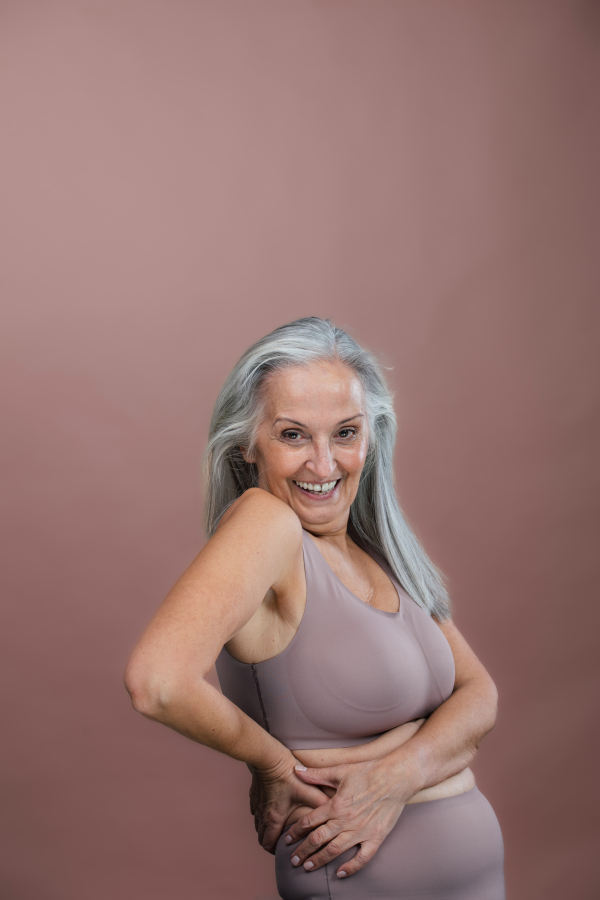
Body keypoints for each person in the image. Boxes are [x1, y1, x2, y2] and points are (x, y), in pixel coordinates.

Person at [124, 317, 505, 898]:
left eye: (346, 433)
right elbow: (158, 682)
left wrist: (398, 773)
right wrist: (274, 765)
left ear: (372, 437)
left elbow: (480, 697)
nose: (324, 465)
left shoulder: (379, 547)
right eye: (294, 435)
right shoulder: (267, 524)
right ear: (248, 444)